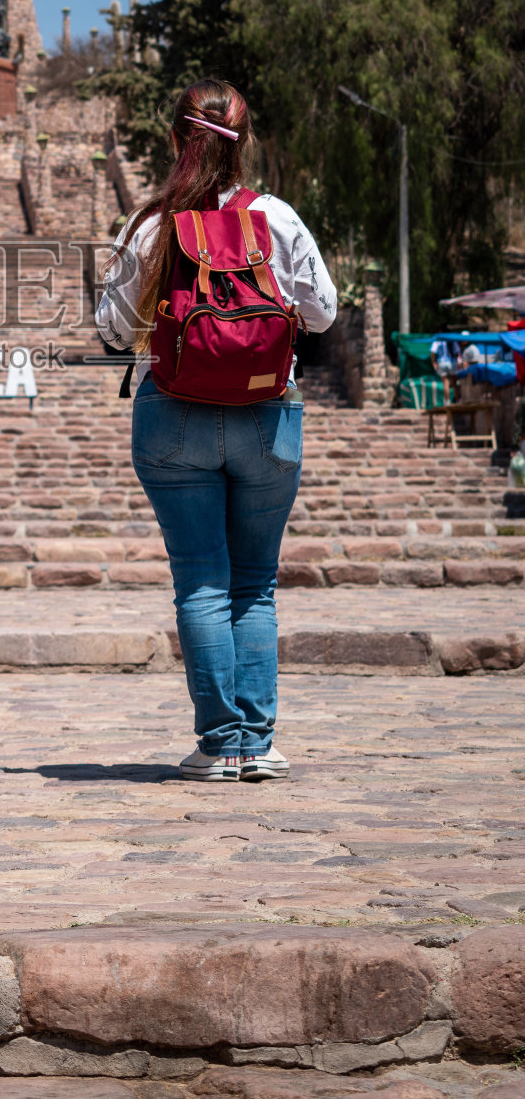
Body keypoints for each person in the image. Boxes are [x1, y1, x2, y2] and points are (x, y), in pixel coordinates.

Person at [96, 79, 337, 782]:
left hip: (172, 417)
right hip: (266, 416)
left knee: (201, 581)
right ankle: (256, 744)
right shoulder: (276, 217)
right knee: (254, 584)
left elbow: (111, 332)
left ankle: (219, 744)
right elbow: (320, 314)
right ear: (245, 143)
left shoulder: (149, 225)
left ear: (176, 139)